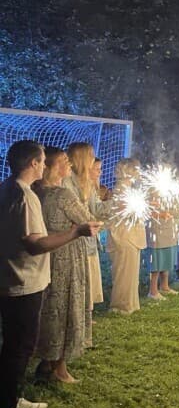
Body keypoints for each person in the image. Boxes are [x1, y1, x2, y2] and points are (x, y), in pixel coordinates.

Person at [0, 140, 101, 408]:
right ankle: (7, 405)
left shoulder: (7, 188)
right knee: (19, 347)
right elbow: (35, 244)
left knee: (16, 345)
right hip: (23, 280)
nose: (44, 165)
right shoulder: (25, 196)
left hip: (12, 276)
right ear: (33, 163)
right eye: (43, 161)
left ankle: (12, 397)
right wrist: (76, 231)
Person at [32, 147, 96, 384]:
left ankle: (46, 361)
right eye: (63, 162)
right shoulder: (62, 195)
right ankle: (59, 366)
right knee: (65, 307)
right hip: (66, 256)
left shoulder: (33, 191)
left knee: (48, 308)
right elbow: (88, 222)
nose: (68, 164)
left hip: (43, 255)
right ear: (51, 166)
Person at [64, 143, 109, 312]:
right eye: (90, 156)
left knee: (88, 280)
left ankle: (86, 315)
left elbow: (97, 208)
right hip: (74, 240)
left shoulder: (87, 183)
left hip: (88, 240)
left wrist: (119, 204)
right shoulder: (67, 182)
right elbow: (80, 213)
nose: (92, 159)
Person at [107, 159, 146, 314]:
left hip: (131, 236)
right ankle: (120, 305)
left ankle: (130, 303)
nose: (139, 173)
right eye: (137, 169)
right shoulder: (121, 189)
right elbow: (127, 212)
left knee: (130, 273)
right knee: (124, 273)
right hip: (124, 236)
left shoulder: (128, 189)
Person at [145, 207, 179, 300]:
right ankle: (153, 291)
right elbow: (146, 210)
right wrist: (160, 214)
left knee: (166, 256)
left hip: (168, 227)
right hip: (156, 228)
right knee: (157, 259)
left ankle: (164, 286)